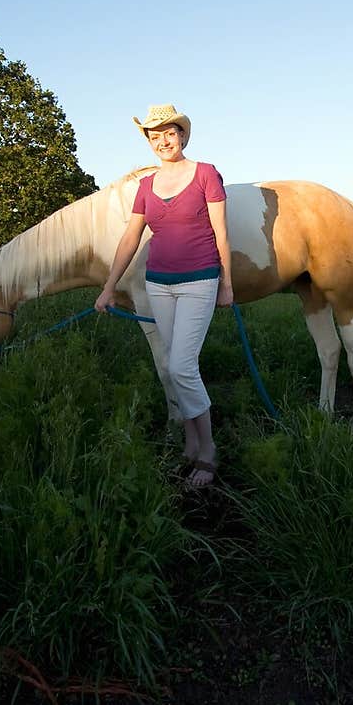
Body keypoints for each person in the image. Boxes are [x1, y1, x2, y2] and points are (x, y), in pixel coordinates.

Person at [95, 104, 233, 489]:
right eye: (155, 137)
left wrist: (227, 282)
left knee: (181, 367)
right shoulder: (145, 186)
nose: (163, 141)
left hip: (199, 281)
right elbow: (130, 238)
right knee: (175, 367)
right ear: (150, 142)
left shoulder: (205, 174)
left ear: (182, 135)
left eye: (169, 134)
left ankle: (208, 452)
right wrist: (109, 287)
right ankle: (190, 444)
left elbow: (222, 233)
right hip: (158, 283)